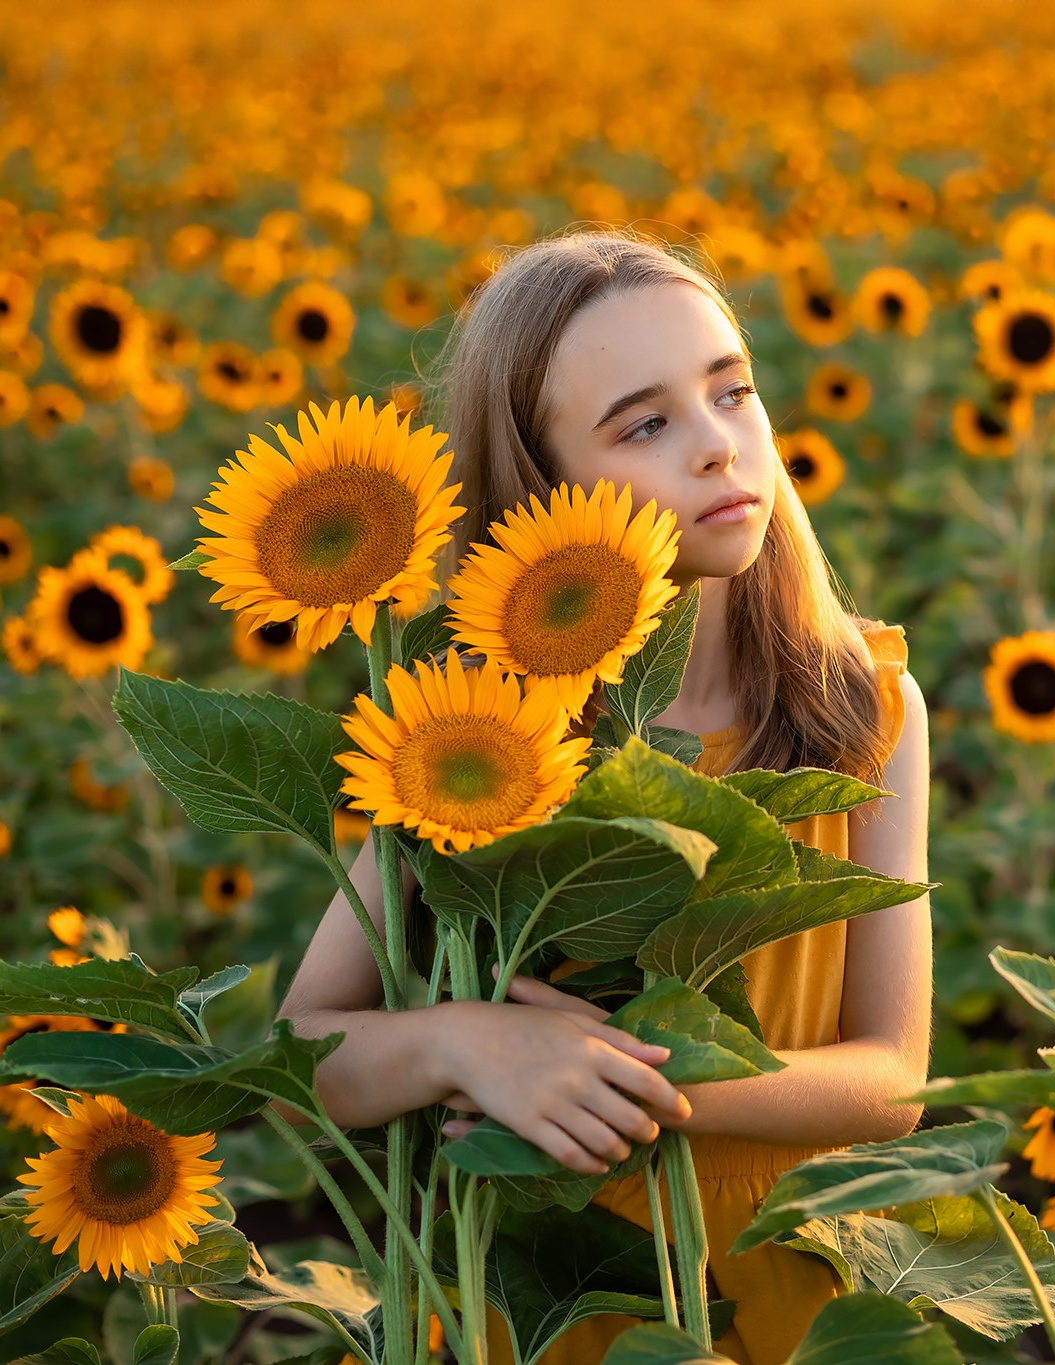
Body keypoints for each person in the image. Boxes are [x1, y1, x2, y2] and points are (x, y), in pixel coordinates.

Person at [276, 228, 933, 1365]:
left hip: (798, 1269)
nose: (720, 447)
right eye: (646, 424)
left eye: (733, 392)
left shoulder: (862, 705)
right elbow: (301, 1056)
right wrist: (465, 1044)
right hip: (551, 1285)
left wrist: (632, 1075)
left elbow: (893, 1080)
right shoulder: (478, 737)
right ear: (546, 487)